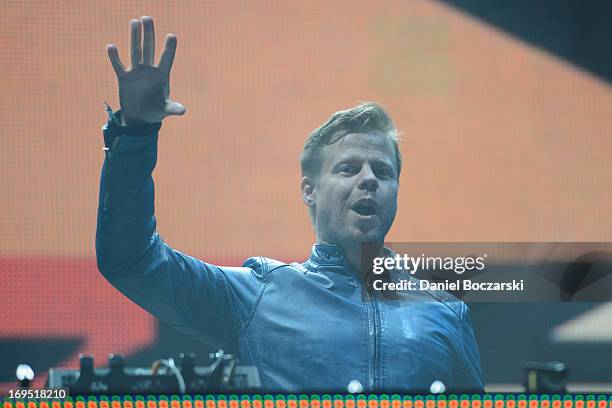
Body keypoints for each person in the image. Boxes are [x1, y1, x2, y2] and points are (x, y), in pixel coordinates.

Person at [97, 16, 484, 393]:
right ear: (309, 191)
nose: (368, 179)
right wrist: (136, 135)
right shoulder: (257, 297)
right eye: (349, 168)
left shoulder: (445, 312)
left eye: (382, 172)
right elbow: (133, 262)